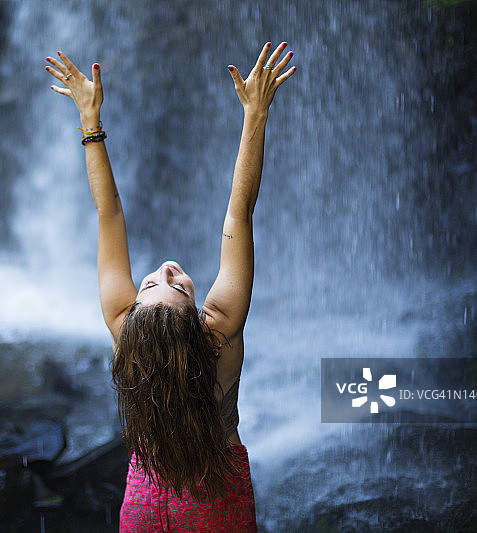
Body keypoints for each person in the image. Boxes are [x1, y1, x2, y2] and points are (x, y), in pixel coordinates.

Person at [45, 41, 295, 532]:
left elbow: (109, 213)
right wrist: (255, 115)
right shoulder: (217, 339)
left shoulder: (127, 335)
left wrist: (90, 122)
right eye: (175, 284)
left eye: (152, 281)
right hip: (213, 507)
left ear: (133, 311)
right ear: (195, 324)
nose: (166, 268)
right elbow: (239, 211)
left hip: (144, 504)